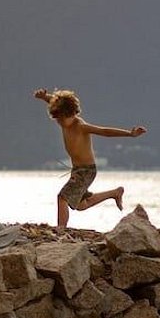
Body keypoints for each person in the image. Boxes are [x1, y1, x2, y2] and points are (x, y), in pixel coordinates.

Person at [34, 88, 146, 230]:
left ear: (72, 113)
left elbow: (104, 132)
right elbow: (55, 102)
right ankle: (115, 193)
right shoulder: (61, 115)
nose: (60, 122)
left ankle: (60, 229)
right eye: (57, 119)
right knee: (81, 205)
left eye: (62, 119)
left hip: (86, 171)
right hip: (77, 170)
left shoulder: (80, 126)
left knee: (62, 197)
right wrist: (44, 97)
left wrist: (130, 134)